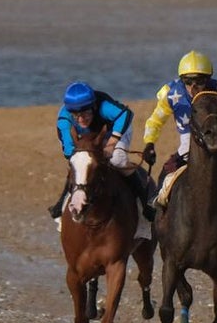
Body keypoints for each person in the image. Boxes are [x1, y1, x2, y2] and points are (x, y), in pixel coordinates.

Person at [140, 51, 217, 214]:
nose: (193, 87)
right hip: (188, 136)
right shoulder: (171, 93)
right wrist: (149, 143)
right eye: (188, 81)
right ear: (181, 80)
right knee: (171, 165)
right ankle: (158, 199)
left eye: (199, 81)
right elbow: (155, 121)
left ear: (208, 79)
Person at [48, 81, 153, 239]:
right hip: (85, 140)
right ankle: (61, 204)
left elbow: (126, 115)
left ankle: (145, 205)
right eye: (76, 115)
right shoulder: (64, 119)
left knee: (118, 160)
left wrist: (111, 144)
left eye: (85, 113)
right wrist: (86, 155)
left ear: (94, 107)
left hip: (115, 130)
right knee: (80, 164)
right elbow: (70, 151)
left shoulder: (103, 105)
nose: (81, 119)